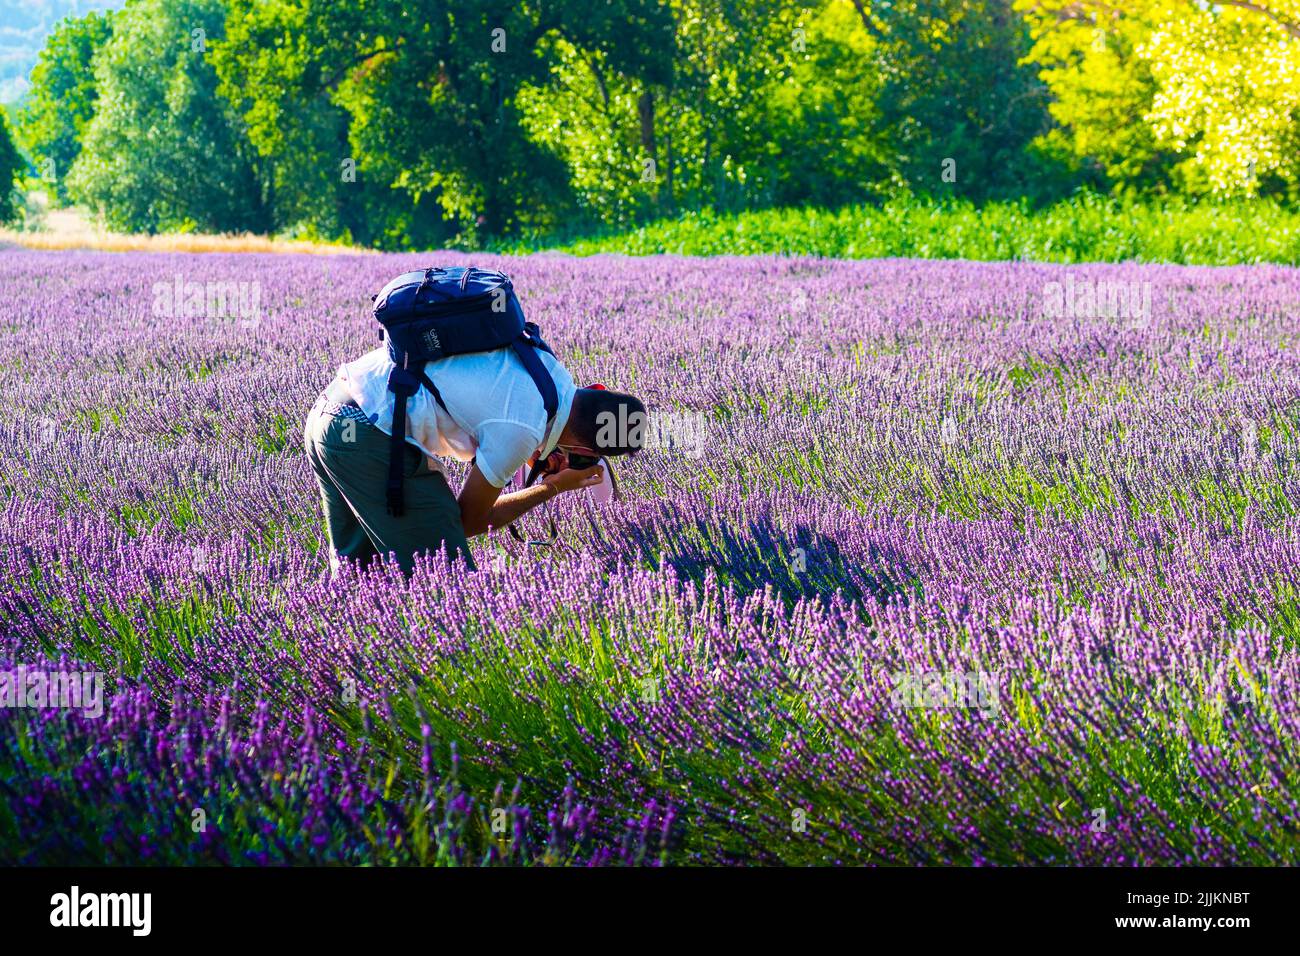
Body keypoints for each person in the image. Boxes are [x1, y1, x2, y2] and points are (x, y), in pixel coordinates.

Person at [304, 336, 645, 576]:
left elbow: (490, 399)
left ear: (597, 390)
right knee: (446, 580)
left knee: (362, 575)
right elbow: (467, 522)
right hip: (367, 435)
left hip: (330, 413)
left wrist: (536, 456)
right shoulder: (522, 430)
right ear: (586, 452)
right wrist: (552, 487)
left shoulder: (549, 368)